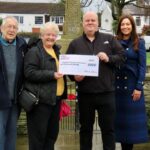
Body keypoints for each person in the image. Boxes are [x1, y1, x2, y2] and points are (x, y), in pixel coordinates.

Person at [66, 11, 125, 150]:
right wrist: (74, 77)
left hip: (107, 93)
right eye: (87, 21)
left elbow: (122, 57)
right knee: (85, 130)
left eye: (93, 20)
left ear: (98, 23)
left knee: (108, 130)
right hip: (85, 94)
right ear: (83, 24)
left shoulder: (109, 39)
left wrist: (108, 58)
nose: (90, 23)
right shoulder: (75, 43)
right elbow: (67, 66)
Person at [24, 22, 67, 150]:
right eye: (48, 34)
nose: (51, 37)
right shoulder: (34, 52)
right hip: (40, 102)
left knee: (51, 136)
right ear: (41, 35)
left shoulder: (56, 51)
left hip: (55, 100)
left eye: (54, 35)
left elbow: (62, 72)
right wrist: (51, 75)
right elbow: (29, 73)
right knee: (38, 138)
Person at [115, 14, 149, 150]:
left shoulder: (139, 42)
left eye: (128, 24)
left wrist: (138, 87)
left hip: (131, 88)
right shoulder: (114, 42)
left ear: (132, 26)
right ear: (119, 27)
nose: (125, 27)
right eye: (123, 24)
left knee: (130, 128)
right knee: (120, 126)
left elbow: (142, 66)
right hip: (117, 89)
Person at [0, 16, 27, 150]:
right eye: (8, 26)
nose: (11, 30)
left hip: (15, 100)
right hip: (0, 99)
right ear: (1, 28)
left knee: (11, 134)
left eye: (14, 27)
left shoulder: (22, 45)